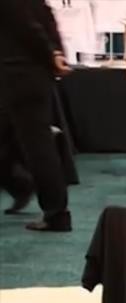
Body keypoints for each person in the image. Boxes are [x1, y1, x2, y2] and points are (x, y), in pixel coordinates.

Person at [0, 0, 73, 231]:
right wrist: (56, 52)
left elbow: (29, 26)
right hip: (29, 73)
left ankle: (56, 213)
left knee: (38, 147)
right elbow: (46, 18)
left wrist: (51, 53)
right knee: (29, 143)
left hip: (17, 73)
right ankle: (21, 186)